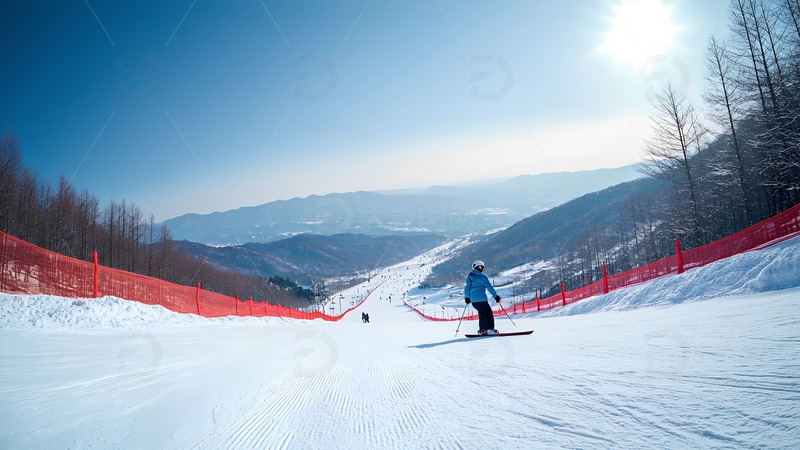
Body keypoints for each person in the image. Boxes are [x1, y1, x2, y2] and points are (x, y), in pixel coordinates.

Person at [464, 260, 501, 335]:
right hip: (481, 299)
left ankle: (484, 330)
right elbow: (489, 287)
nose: (481, 268)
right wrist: (496, 296)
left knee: (483, 313)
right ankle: (487, 329)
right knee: (488, 314)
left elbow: (467, 287)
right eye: (481, 267)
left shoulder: (470, 275)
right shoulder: (483, 276)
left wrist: (467, 297)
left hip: (474, 300)